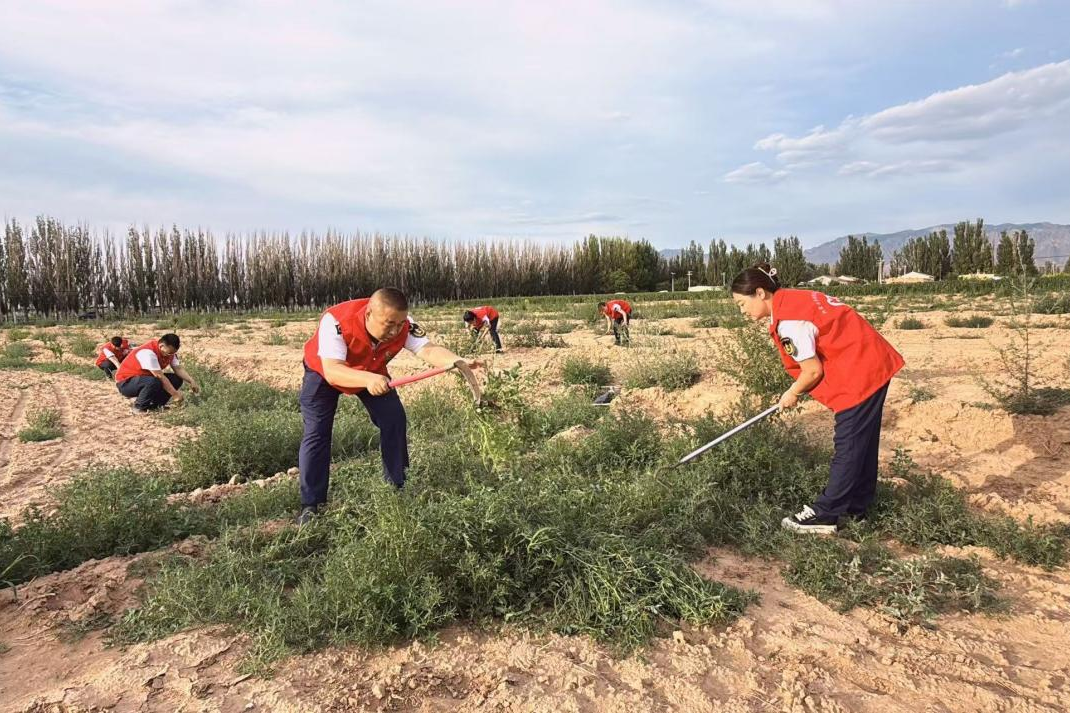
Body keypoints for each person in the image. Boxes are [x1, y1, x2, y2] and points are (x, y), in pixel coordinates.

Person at [730, 263, 904, 534]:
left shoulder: (789, 321)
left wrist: (793, 392)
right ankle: (857, 508)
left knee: (848, 445)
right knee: (862, 442)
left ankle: (825, 514)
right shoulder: (797, 299)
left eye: (742, 304)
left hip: (858, 371)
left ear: (760, 293)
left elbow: (812, 371)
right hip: (870, 361)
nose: (743, 312)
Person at [297, 287, 478, 525]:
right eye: (388, 324)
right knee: (317, 432)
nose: (395, 331)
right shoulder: (336, 321)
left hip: (372, 371)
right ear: (369, 313)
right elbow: (333, 371)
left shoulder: (403, 324)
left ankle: (398, 489)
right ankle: (311, 505)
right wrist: (367, 379)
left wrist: (456, 361)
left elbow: (427, 349)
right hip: (324, 372)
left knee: (394, 419)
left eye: (399, 324)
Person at [114, 333, 201, 414]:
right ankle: (138, 407)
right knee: (155, 381)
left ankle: (156, 405)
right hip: (125, 383)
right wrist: (175, 394)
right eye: (168, 352)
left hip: (143, 379)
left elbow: (178, 368)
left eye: (173, 353)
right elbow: (159, 376)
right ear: (161, 345)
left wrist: (191, 381)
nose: (170, 355)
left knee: (176, 379)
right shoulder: (148, 353)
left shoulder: (171, 353)